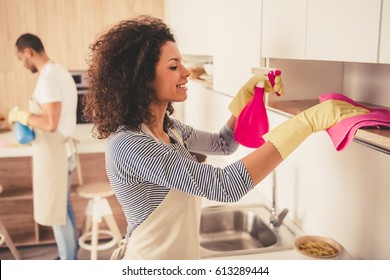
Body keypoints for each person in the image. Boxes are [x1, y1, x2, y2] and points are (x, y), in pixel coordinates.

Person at [83, 15, 368, 260]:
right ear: (142, 78)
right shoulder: (131, 145)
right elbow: (225, 186)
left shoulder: (170, 130)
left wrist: (245, 97)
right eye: (173, 66)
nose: (185, 72)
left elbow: (224, 143)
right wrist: (305, 123)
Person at [9, 34, 79, 260]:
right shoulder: (59, 72)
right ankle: (70, 256)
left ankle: (68, 263)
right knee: (63, 207)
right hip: (59, 150)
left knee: (55, 212)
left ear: (29, 52)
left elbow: (50, 123)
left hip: (54, 154)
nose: (22, 64)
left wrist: (23, 116)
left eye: (21, 58)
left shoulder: (49, 78)